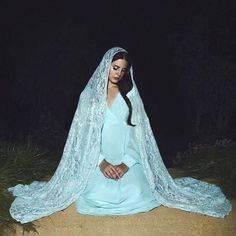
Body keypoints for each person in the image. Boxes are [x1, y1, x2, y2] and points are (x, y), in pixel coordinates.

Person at [8, 47, 232, 224]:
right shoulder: (89, 97)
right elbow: (84, 137)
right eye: (115, 67)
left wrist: (126, 164)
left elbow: (139, 136)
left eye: (123, 69)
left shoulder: (131, 95)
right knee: (98, 195)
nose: (118, 73)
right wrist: (101, 162)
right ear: (106, 66)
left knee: (136, 192)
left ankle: (130, 174)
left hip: (128, 158)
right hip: (96, 160)